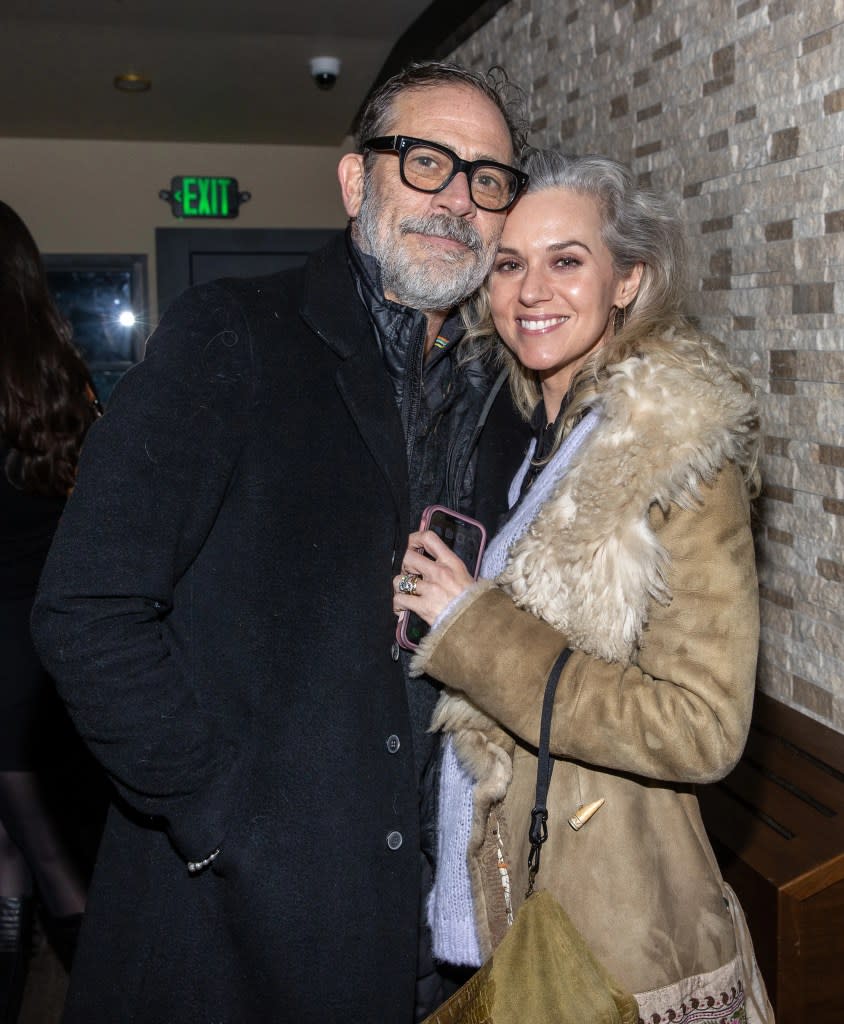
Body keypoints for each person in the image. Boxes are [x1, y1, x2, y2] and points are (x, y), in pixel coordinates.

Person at [31, 62, 532, 1022]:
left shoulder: (492, 397)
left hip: (411, 929)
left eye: (487, 179)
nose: (457, 199)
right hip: (231, 924)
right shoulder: (237, 334)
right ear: (356, 182)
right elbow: (88, 607)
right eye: (426, 162)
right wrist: (216, 815)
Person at [393, 150, 775, 1023]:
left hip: (603, 921)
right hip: (487, 889)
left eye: (567, 261)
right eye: (508, 264)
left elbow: (703, 726)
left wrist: (474, 630)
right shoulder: (501, 430)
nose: (533, 291)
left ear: (629, 280)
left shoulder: (676, 455)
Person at [0, 201, 100, 1019]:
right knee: (39, 852)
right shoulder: (63, 377)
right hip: (44, 662)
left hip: (12, 669)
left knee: (34, 857)